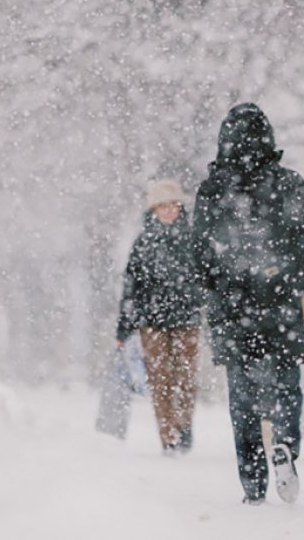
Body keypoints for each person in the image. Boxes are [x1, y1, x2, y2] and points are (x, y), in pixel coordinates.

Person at [193, 103, 304, 506]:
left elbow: (200, 252)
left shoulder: (213, 190)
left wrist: (220, 289)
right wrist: (291, 284)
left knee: (243, 395)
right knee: (286, 384)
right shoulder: (288, 183)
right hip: (279, 304)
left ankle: (252, 482)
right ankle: (284, 443)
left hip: (233, 308)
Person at [115, 179, 202, 454]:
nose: (167, 211)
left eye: (172, 205)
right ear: (153, 210)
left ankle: (183, 424)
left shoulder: (192, 239)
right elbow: (132, 286)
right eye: (161, 206)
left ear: (180, 208)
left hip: (187, 319)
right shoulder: (143, 243)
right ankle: (169, 436)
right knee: (160, 380)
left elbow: (205, 279)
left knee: (185, 378)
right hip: (152, 322)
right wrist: (124, 326)